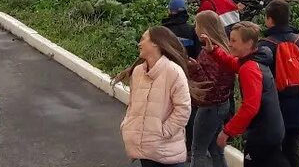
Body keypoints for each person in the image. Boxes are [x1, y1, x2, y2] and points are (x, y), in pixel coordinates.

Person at [200, 21, 287, 167]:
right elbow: (233, 63)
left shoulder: (249, 68)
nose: (229, 43)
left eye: (234, 40)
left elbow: (250, 107)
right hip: (274, 128)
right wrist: (213, 51)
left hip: (262, 133)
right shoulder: (255, 60)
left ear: (249, 43)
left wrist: (227, 131)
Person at [117, 26, 202, 167]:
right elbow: (132, 104)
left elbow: (183, 109)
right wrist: (127, 125)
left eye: (143, 39)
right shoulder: (138, 71)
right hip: (144, 149)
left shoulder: (174, 71)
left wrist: (163, 132)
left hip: (167, 151)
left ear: (156, 43)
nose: (139, 43)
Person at [262, 0, 299, 166]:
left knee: (271, 151)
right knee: (292, 148)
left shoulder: (265, 46)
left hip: (274, 108)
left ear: (269, 20)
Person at [186, 11, 234, 167]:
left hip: (210, 107)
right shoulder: (222, 49)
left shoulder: (212, 53)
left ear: (205, 28)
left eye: (197, 25)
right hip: (221, 104)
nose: (195, 29)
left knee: (198, 150)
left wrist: (194, 68)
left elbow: (209, 85)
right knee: (215, 149)